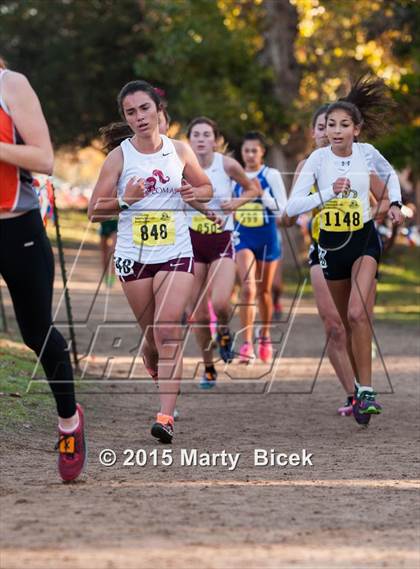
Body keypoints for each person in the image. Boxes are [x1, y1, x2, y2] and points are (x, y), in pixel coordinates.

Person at [88, 80, 212, 443]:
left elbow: (206, 189)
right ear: (125, 118)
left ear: (159, 110)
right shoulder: (120, 157)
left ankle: (166, 416)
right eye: (131, 112)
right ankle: (148, 348)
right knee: (154, 334)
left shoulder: (179, 151)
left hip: (175, 251)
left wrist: (194, 191)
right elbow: (95, 210)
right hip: (133, 257)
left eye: (144, 109)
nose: (139, 117)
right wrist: (126, 200)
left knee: (169, 327)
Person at [286, 76, 403, 424]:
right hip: (329, 246)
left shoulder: (366, 154)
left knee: (356, 314)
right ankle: (356, 393)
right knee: (342, 325)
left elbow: (389, 176)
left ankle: (365, 390)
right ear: (319, 131)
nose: (334, 130)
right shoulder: (316, 161)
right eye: (329, 125)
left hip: (364, 239)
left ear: (356, 129)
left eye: (342, 124)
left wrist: (393, 203)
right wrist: (327, 196)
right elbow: (292, 208)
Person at [0, 57, 86, 481]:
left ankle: (69, 422)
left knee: (37, 333)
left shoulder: (11, 84)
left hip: (18, 230)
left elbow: (45, 158)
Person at [187, 117, 260, 388]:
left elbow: (254, 189)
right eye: (196, 134)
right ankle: (208, 367)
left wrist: (236, 202)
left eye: (207, 134)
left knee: (219, 303)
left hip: (222, 239)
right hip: (191, 242)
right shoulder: (181, 165)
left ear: (215, 139)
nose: (202, 139)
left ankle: (226, 330)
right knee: (199, 314)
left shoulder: (227, 164)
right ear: (190, 139)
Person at [233, 132, 287, 363]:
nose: (250, 154)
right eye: (246, 150)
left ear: (262, 152)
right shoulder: (234, 174)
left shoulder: (270, 175)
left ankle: (264, 334)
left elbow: (281, 210)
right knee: (248, 289)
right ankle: (246, 344)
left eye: (255, 150)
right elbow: (228, 204)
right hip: (242, 238)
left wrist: (261, 194)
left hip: (266, 239)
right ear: (242, 153)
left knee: (264, 292)